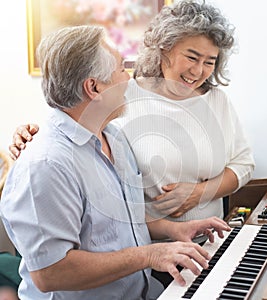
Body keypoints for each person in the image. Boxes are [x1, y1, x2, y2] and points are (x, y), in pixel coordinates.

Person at [0, 25, 231, 299]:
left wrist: (174, 229)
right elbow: (50, 273)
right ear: (94, 87)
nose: (130, 78)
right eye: (122, 68)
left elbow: (121, 220)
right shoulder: (45, 166)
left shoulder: (115, 137)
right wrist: (149, 255)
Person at [9, 0, 255, 223]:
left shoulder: (217, 102)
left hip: (209, 243)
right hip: (145, 253)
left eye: (210, 61)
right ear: (164, 50)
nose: (199, 70)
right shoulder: (122, 94)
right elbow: (73, 127)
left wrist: (197, 194)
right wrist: (30, 135)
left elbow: (243, 164)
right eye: (192, 57)